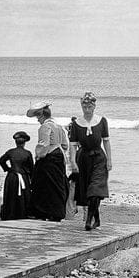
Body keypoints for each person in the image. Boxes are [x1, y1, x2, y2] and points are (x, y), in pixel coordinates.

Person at [70, 92, 112, 230]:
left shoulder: (102, 121)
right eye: (84, 106)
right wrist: (73, 162)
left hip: (99, 158)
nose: (87, 108)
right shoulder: (76, 124)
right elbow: (73, 145)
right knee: (88, 192)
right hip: (83, 159)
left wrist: (109, 160)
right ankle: (97, 219)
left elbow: (106, 142)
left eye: (89, 106)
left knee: (96, 189)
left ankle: (88, 221)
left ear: (94, 106)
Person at [27, 102, 70, 222]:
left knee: (43, 184)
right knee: (58, 184)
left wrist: (38, 155)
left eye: (38, 117)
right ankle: (57, 212)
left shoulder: (45, 127)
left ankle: (43, 211)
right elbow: (65, 145)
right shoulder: (58, 126)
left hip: (49, 157)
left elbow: (43, 144)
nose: (37, 120)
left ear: (41, 116)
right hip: (59, 156)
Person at [0, 131, 34, 221]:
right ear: (24, 142)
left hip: (12, 177)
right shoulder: (27, 153)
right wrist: (31, 180)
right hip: (23, 177)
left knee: (10, 195)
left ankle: (9, 214)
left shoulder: (10, 152)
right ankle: (22, 214)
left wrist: (7, 169)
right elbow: (31, 168)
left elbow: (1, 160)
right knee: (23, 196)